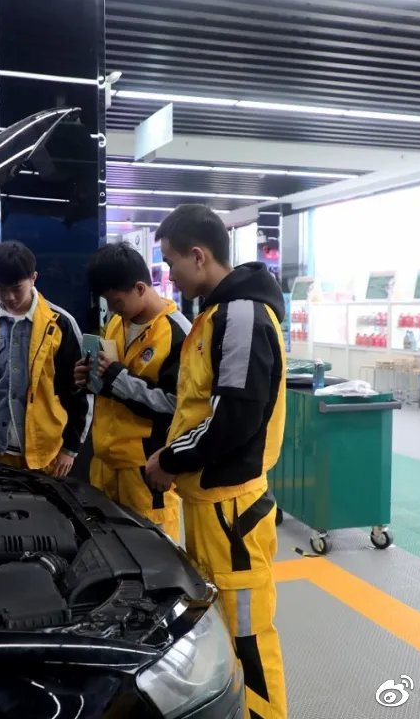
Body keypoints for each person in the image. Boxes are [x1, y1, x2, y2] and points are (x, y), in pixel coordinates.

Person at [145, 204, 288, 719]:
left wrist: (170, 458)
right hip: (211, 504)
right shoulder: (215, 316)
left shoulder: (241, 316)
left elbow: (234, 419)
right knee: (224, 630)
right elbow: (198, 407)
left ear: (199, 256)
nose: (169, 276)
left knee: (247, 636)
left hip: (232, 510)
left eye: (170, 263)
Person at [74, 243, 189, 542]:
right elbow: (111, 387)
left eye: (117, 301)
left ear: (140, 288)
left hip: (144, 472)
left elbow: (177, 405)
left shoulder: (178, 334)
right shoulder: (116, 322)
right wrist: (90, 378)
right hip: (104, 465)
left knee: (152, 554)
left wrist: (116, 377)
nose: (112, 309)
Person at [0, 241, 89, 477]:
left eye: (17, 288)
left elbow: (79, 391)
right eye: (0, 288)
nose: (9, 297)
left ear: (33, 278)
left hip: (46, 455)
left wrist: (71, 448)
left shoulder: (60, 324)